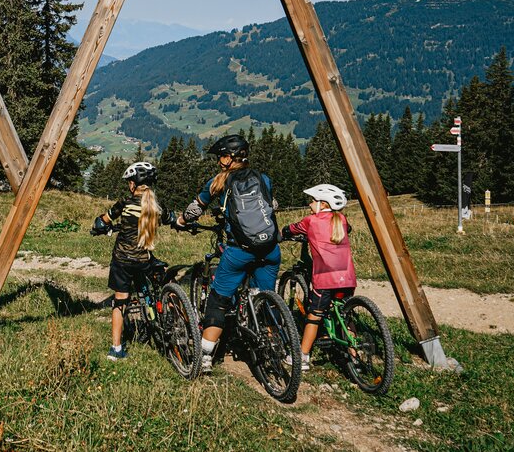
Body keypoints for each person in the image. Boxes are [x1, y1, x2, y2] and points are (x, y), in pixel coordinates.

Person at [176, 134, 281, 373]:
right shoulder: (263, 178)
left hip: (239, 251)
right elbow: (272, 205)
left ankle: (204, 357)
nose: (218, 161)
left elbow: (196, 208)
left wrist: (181, 220)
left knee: (219, 301)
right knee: (266, 297)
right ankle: (277, 347)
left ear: (230, 158)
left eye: (221, 156)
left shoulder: (218, 182)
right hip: (270, 249)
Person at [91, 161, 166, 361]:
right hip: (144, 260)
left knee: (120, 302)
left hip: (123, 260)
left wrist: (99, 227)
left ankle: (116, 349)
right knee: (151, 278)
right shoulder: (157, 207)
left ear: (133, 184)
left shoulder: (125, 203)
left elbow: (103, 220)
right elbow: (171, 218)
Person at [281, 183, 356, 371]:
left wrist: (282, 234)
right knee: (346, 314)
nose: (309, 204)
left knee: (314, 316)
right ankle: (355, 355)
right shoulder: (343, 220)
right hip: (347, 278)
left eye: (313, 201)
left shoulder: (311, 221)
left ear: (323, 204)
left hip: (325, 279)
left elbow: (291, 229)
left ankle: (303, 357)